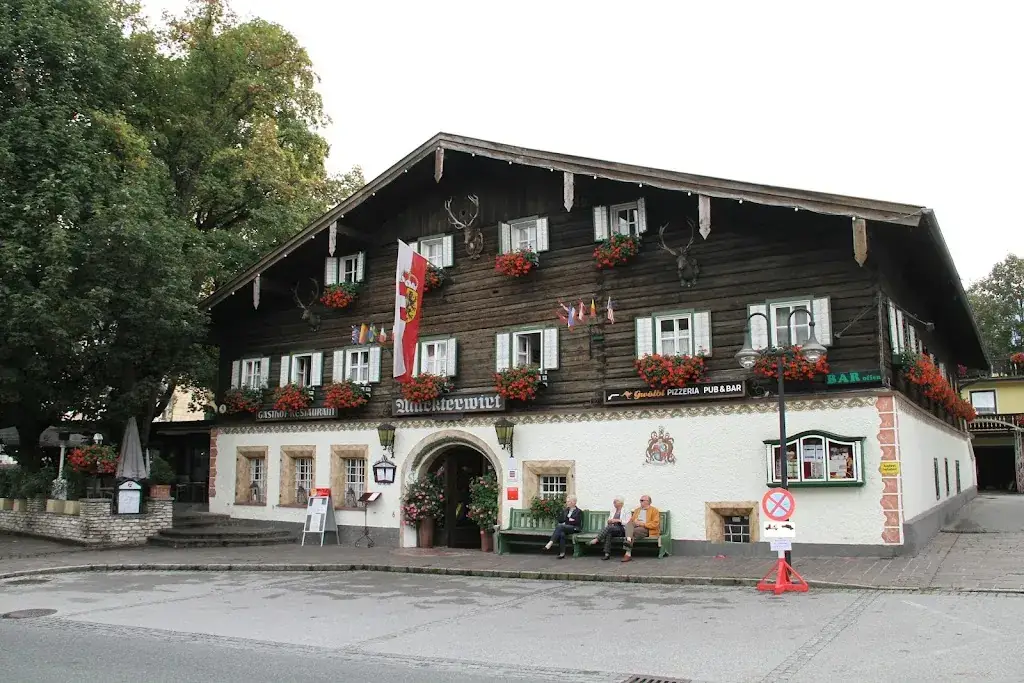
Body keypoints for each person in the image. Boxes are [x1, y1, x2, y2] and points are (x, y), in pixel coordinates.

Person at [587, 496, 630, 560]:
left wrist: (618, 520)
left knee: (609, 529)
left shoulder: (626, 510)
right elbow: (609, 520)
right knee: (608, 533)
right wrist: (609, 521)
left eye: (616, 501)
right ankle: (607, 554)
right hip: (613, 528)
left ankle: (597, 539)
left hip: (622, 529)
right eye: (614, 501)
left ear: (621, 503)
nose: (614, 502)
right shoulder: (613, 510)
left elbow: (628, 523)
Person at [622, 494, 660, 563]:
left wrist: (642, 524)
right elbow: (631, 521)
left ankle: (627, 553)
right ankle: (629, 540)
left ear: (648, 502)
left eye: (642, 500)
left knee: (631, 532)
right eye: (640, 500)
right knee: (629, 525)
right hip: (636, 527)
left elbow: (655, 524)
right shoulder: (637, 510)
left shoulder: (654, 510)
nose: (640, 502)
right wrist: (635, 521)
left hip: (646, 529)